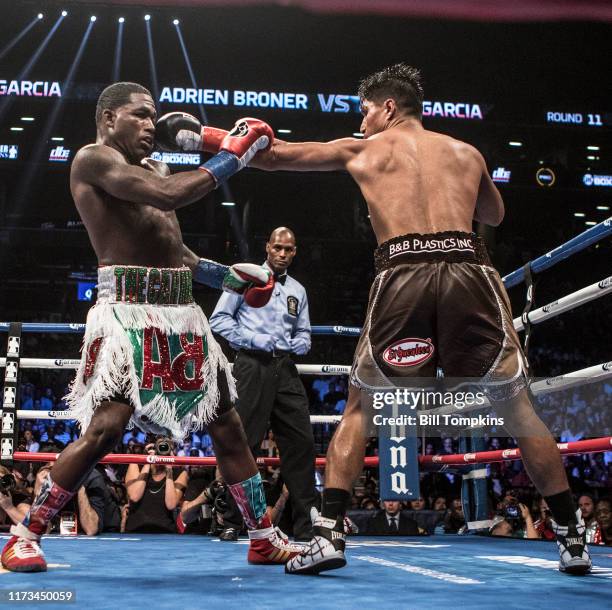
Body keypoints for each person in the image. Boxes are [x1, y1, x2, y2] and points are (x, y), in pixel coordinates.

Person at [163, 64, 593, 574]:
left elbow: (272, 156)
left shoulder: (364, 148)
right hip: (471, 269)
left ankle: (327, 537)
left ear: (388, 107)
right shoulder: (466, 151)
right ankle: (571, 538)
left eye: (365, 110)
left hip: (404, 269)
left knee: (360, 408)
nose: (361, 121)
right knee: (518, 409)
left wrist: (207, 136)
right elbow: (495, 215)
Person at [0, 82, 302, 572]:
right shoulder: (93, 160)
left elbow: (175, 252)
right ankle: (25, 535)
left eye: (153, 116)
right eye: (138, 115)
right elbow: (169, 194)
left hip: (181, 315)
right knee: (107, 427)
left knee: (228, 426)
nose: (149, 124)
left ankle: (262, 537)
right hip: (126, 314)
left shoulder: (156, 167)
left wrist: (229, 278)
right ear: (107, 119)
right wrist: (233, 155)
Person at [209, 227, 317, 541]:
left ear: (295, 252)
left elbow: (305, 332)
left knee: (301, 442)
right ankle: (230, 519)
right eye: (278, 248)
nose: (283, 254)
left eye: (289, 249)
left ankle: (306, 525)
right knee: (243, 442)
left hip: (285, 368)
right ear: (268, 247)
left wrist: (302, 342)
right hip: (251, 364)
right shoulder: (245, 277)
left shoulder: (298, 289)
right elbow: (218, 319)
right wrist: (253, 338)